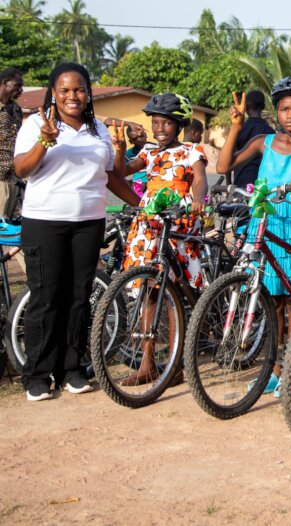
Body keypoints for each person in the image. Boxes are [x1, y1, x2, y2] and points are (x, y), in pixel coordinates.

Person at [13, 62, 140, 401]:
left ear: (87, 93)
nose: (73, 96)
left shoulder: (98, 128)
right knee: (46, 297)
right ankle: (37, 374)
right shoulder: (35, 125)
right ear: (53, 93)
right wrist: (44, 140)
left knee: (79, 297)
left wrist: (139, 203)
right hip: (44, 222)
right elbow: (21, 168)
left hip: (88, 222)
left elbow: (112, 175)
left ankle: (71, 368)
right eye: (65, 90)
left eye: (79, 89)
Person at [217, 77, 291, 397]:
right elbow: (224, 165)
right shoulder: (262, 142)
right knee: (270, 302)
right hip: (264, 223)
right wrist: (235, 127)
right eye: (284, 109)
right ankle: (273, 371)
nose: (290, 115)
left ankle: (289, 371)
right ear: (276, 112)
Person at [117, 93, 208, 385]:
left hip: (179, 222)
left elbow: (201, 180)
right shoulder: (148, 153)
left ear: (179, 124)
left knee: (176, 293)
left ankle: (175, 364)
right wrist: (120, 149)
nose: (159, 128)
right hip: (149, 225)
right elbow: (120, 171)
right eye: (155, 122)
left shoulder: (193, 150)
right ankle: (148, 365)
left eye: (166, 123)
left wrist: (199, 200)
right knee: (149, 292)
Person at [228, 90, 274, 187]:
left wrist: (228, 184)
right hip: (262, 186)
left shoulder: (238, 129)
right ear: (263, 107)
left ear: (246, 108)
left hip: (240, 183)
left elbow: (228, 157)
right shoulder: (270, 132)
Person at [0, 68, 24, 220]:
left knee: (14, 229)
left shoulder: (15, 109)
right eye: (17, 85)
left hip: (14, 177)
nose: (20, 89)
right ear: (4, 83)